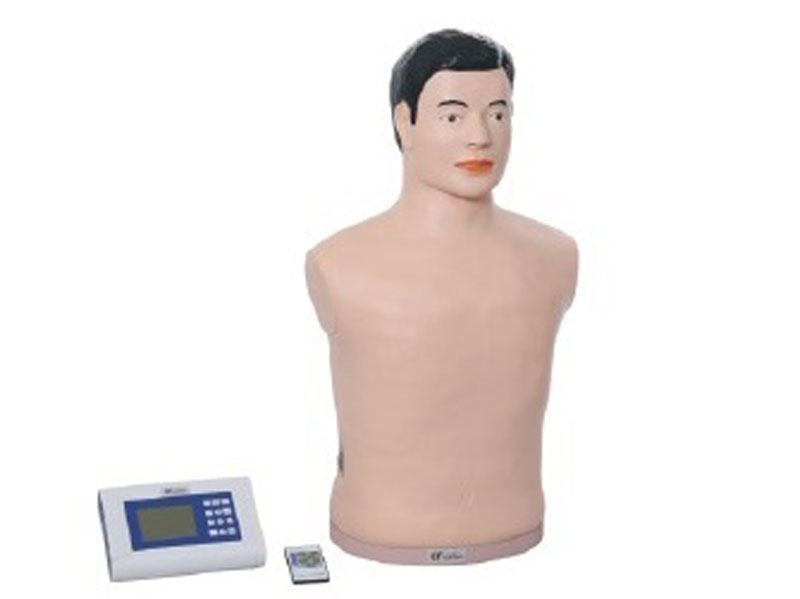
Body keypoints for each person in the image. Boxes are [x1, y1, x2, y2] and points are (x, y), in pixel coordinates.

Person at [305, 28, 579, 565]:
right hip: (377, 540)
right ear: (403, 121)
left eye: (497, 114)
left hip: (519, 541)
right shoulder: (338, 263)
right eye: (453, 116)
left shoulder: (555, 256)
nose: (480, 136)